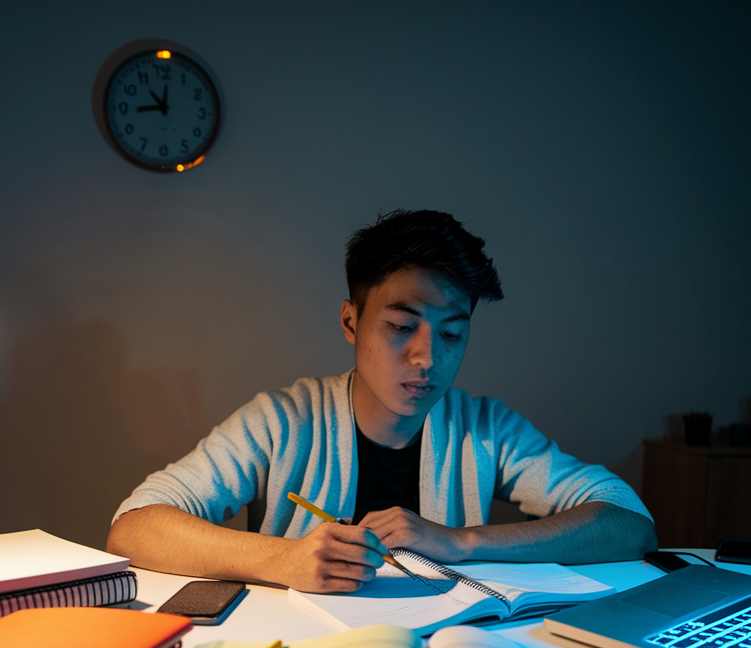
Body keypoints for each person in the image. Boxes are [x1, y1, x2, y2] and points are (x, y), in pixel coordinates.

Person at [108, 210, 656, 593]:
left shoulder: (485, 428)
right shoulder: (283, 420)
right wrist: (284, 558)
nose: (426, 358)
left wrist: (459, 541)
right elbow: (133, 527)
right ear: (351, 321)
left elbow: (629, 522)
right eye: (401, 326)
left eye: (451, 335)